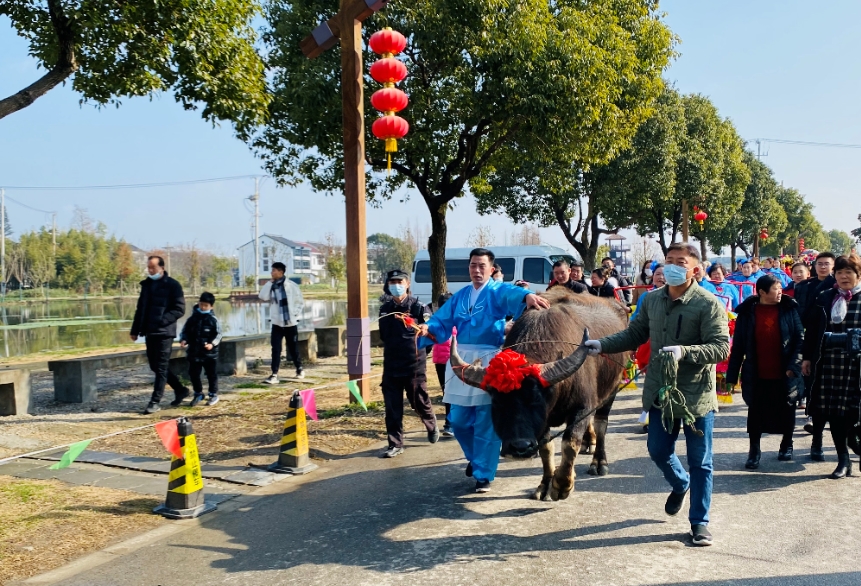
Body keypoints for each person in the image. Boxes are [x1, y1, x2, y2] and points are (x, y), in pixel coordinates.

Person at [584, 242, 729, 546]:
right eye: (669, 261)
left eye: (681, 262)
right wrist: (602, 344)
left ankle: (699, 522)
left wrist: (685, 352)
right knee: (658, 450)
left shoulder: (708, 304)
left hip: (696, 398)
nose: (673, 267)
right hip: (661, 392)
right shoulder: (651, 301)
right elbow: (635, 333)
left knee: (701, 461)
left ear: (696, 269)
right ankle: (680, 483)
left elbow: (721, 347)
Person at [417, 248, 550, 493]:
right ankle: (476, 459)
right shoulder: (460, 296)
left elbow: (512, 293)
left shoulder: (496, 290)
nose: (476, 271)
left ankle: (483, 474)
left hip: (490, 359)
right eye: (473, 266)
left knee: (485, 421)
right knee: (457, 421)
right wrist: (427, 328)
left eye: (481, 266)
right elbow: (441, 320)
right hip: (460, 361)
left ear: (491, 269)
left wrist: (527, 296)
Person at [725, 275, 803, 469]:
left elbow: (800, 340)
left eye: (780, 288)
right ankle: (754, 451)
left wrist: (794, 366)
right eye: (776, 289)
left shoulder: (789, 309)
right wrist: (732, 376)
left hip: (785, 372)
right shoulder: (748, 312)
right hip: (757, 373)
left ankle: (787, 444)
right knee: (756, 414)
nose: (780, 292)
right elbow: (739, 346)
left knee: (787, 409)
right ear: (762, 292)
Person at [802, 254, 861, 479]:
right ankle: (843, 460)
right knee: (833, 413)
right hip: (829, 363)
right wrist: (807, 357)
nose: (844, 277)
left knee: (854, 413)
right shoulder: (826, 297)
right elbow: (813, 331)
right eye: (840, 273)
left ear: (858, 275)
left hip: (858, 367)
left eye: (849, 272)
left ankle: (854, 441)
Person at [378, 269, 438, 458]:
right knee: (392, 406)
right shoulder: (385, 309)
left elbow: (431, 333)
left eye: (399, 281)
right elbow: (383, 336)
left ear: (407, 283)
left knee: (419, 400)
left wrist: (421, 346)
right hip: (391, 365)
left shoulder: (419, 307)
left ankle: (431, 423)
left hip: (414, 364)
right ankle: (395, 443)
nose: (396, 285)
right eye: (392, 282)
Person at [131, 256, 189, 414]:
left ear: (161, 268)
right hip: (150, 332)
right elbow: (140, 309)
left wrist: (162, 321)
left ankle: (155, 401)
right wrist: (135, 330)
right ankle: (180, 390)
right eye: (148, 268)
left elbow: (179, 309)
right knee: (154, 366)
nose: (150, 271)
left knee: (162, 367)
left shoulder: (173, 285)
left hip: (165, 333)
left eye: (153, 268)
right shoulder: (147, 285)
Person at [260, 262, 306, 384]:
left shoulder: (291, 286)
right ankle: (274, 374)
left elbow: (299, 302)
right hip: (277, 323)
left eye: (274, 270)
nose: (272, 272)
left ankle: (299, 368)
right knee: (276, 348)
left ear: (281, 272)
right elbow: (263, 296)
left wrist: (294, 314)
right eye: (272, 270)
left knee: (293, 348)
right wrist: (269, 282)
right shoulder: (272, 286)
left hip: (290, 323)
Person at [179, 292, 223, 407]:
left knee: (211, 374)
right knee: (194, 374)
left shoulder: (213, 320)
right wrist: (184, 340)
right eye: (201, 305)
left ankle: (213, 394)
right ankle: (198, 393)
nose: (203, 307)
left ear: (211, 306)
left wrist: (212, 344)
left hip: (209, 354)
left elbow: (219, 334)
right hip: (194, 352)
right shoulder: (192, 319)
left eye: (206, 306)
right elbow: (185, 332)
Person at [432, 293, 455, 437]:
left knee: (455, 392)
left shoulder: (460, 319)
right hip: (441, 361)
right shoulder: (435, 321)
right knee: (447, 393)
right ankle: (449, 424)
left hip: (456, 360)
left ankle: (453, 422)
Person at [795, 252, 836, 320]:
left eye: (826, 264)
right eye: (820, 264)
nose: (823, 267)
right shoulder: (803, 286)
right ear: (815, 266)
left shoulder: (837, 286)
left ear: (833, 267)